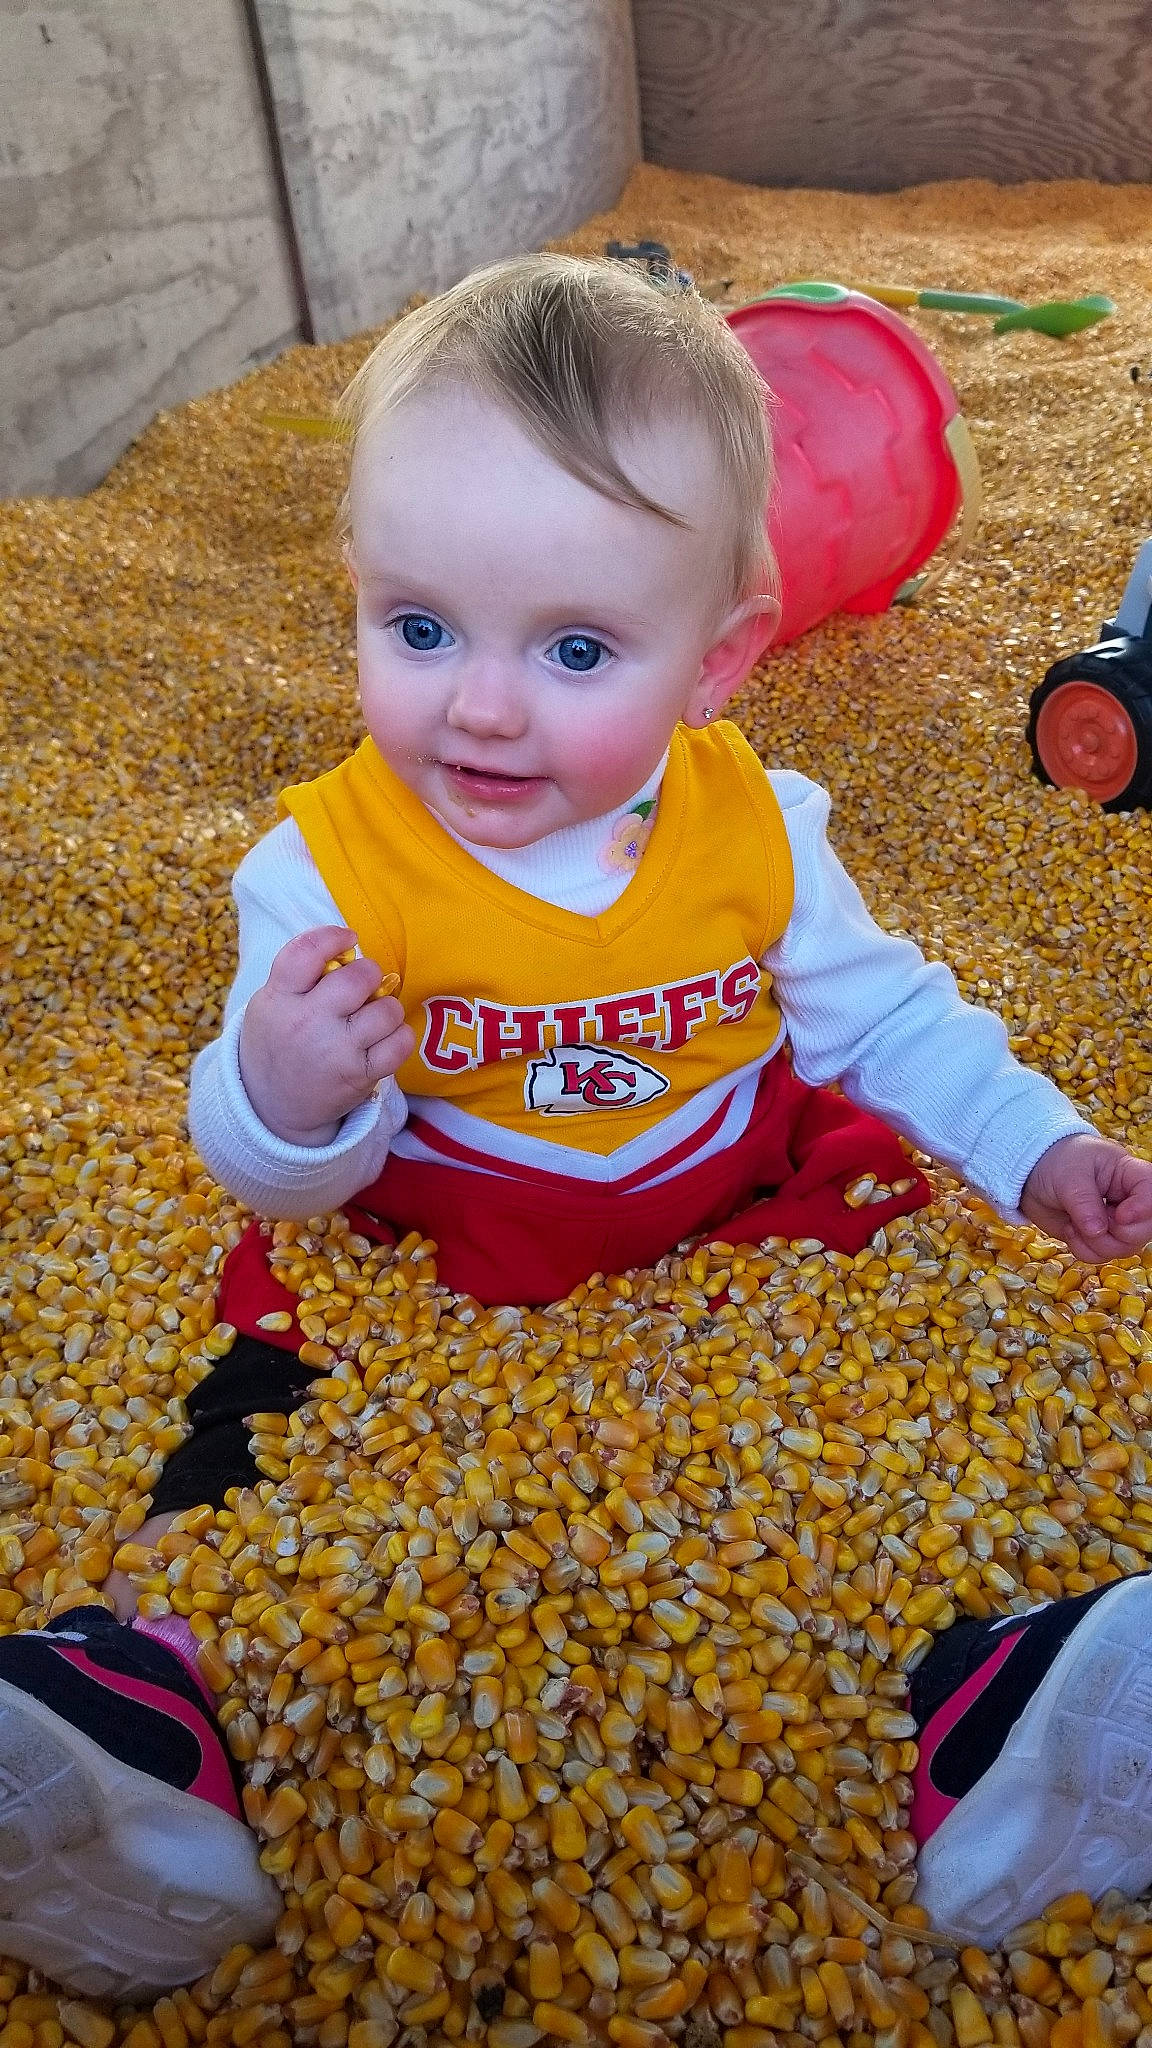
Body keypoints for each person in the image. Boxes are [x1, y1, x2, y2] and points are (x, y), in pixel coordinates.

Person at [2, 254, 1152, 2000]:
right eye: (420, 627)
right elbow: (260, 1168)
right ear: (357, 597)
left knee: (866, 1395)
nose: (477, 703)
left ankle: (997, 1694)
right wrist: (284, 1095)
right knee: (263, 1399)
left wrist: (1038, 1144)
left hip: (736, 1213)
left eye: (577, 647)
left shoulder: (764, 829)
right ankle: (138, 1699)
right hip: (433, 1250)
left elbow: (894, 1016)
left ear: (722, 654)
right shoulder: (324, 867)